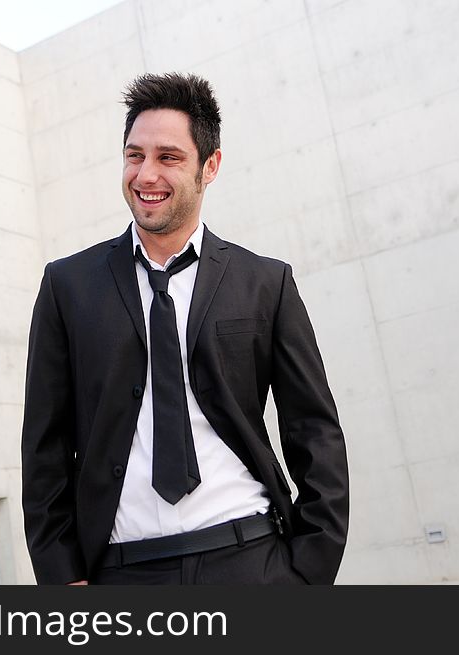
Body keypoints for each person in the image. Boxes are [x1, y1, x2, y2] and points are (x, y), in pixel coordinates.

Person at [21, 72, 348, 585]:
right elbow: (45, 445)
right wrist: (60, 573)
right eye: (134, 156)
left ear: (209, 166)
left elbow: (314, 429)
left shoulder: (266, 283)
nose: (146, 174)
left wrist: (309, 569)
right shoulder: (67, 286)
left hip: (250, 557)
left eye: (168, 158)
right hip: (121, 571)